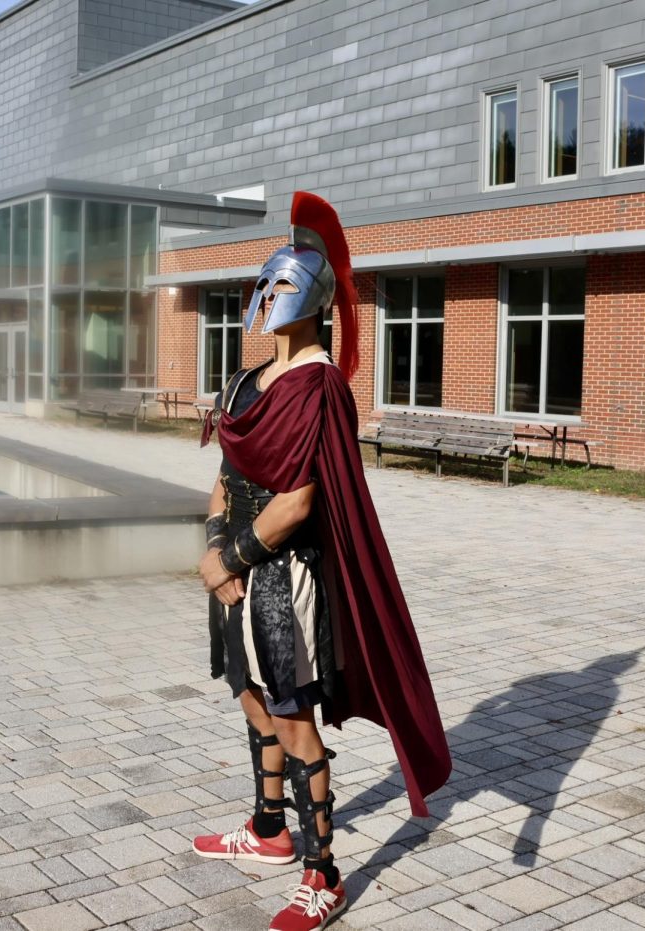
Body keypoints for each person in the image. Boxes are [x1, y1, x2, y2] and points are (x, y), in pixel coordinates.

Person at [194, 192, 451, 931]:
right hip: (234, 568)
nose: (270, 297)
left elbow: (298, 501)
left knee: (289, 712)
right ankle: (269, 828)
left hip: (284, 576)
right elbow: (224, 481)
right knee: (245, 691)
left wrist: (230, 560)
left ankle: (324, 872)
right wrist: (215, 550)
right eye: (264, 284)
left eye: (284, 286)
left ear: (310, 298)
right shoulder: (247, 380)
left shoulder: (318, 385)